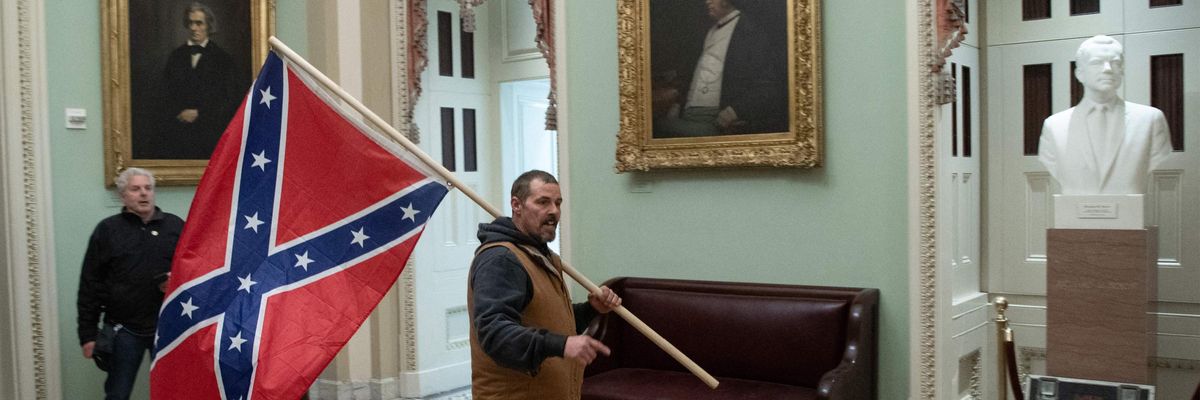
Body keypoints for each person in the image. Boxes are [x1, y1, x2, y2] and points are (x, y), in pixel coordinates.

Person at [468, 170, 622, 399]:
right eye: (543, 202)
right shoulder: (501, 259)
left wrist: (591, 309)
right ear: (516, 205)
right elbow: (495, 334)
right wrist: (562, 345)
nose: (554, 211)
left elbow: (550, 322)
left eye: (558, 203)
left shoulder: (541, 255)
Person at [77, 168, 184, 400]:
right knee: (117, 393)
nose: (143, 194)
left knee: (175, 392)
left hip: (167, 327)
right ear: (123, 195)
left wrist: (175, 281)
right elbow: (90, 284)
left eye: (148, 188)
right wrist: (87, 334)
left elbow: (193, 271)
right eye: (135, 189)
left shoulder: (175, 227)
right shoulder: (107, 230)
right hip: (124, 329)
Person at [1038, 35, 1173, 195]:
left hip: (1128, 213)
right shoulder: (1054, 126)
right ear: (1080, 73)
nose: (1108, 68)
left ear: (1122, 70)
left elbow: (1157, 157)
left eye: (1115, 63)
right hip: (1075, 214)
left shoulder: (1150, 120)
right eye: (1097, 62)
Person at [653, 0, 787, 138]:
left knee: (658, 127)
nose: (707, 1)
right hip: (687, 113)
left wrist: (734, 112)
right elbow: (694, 74)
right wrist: (677, 105)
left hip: (716, 120)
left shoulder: (751, 32)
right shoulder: (707, 30)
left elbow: (768, 86)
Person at [159, 2, 242, 159]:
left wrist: (200, 114)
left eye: (199, 23)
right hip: (178, 136)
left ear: (208, 26)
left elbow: (230, 99)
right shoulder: (175, 57)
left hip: (210, 136)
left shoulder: (223, 59)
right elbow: (164, 95)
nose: (194, 28)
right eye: (190, 23)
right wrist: (179, 114)